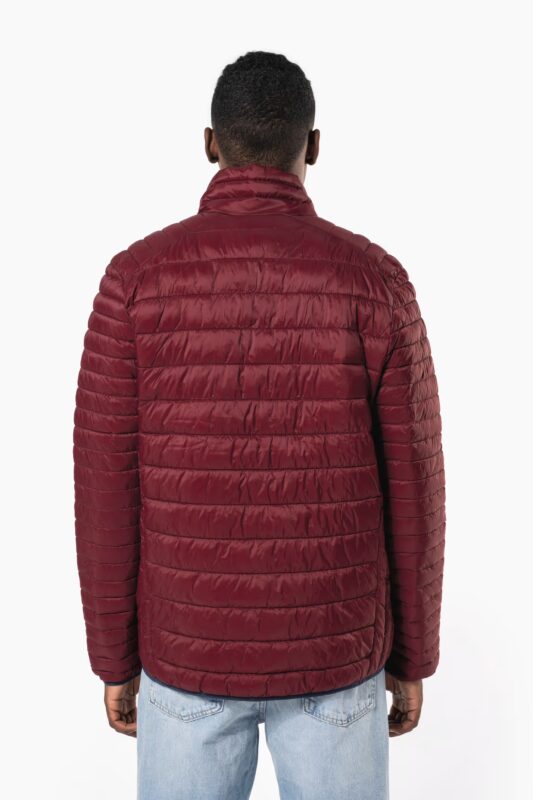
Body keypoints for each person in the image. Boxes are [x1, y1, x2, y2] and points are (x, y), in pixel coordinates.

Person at [73, 50, 446, 800]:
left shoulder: (135, 279)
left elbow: (103, 487)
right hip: (336, 655)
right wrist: (414, 654)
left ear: (211, 143)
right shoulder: (374, 279)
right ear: (313, 147)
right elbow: (416, 488)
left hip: (187, 656)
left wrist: (113, 658)